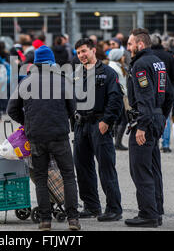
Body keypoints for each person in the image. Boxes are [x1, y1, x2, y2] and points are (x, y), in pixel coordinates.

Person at [7, 45, 81, 231]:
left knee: (40, 178)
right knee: (68, 177)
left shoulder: (25, 82)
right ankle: (73, 219)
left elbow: (11, 110)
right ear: (52, 63)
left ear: (35, 64)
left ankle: (45, 221)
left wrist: (28, 121)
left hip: (36, 137)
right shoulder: (62, 81)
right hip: (59, 136)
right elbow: (73, 109)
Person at [125, 28, 174, 228]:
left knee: (140, 169)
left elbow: (144, 97)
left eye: (130, 44)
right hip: (156, 117)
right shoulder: (158, 62)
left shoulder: (141, 65)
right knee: (154, 169)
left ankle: (147, 214)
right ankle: (156, 211)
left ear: (140, 44)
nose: (127, 48)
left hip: (145, 120)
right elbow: (170, 94)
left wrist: (142, 127)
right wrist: (162, 118)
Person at [73, 38, 124, 222]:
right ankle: (91, 206)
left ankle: (114, 209)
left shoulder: (108, 73)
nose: (81, 55)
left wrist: (106, 121)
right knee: (82, 167)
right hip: (80, 126)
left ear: (93, 50)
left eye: (84, 51)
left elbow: (116, 99)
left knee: (106, 168)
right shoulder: (77, 73)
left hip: (99, 125)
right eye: (78, 53)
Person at [151, 34, 174, 153]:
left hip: (151, 92)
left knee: (152, 116)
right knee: (166, 116)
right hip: (166, 90)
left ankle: (154, 142)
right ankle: (166, 144)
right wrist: (171, 87)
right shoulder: (169, 56)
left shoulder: (148, 57)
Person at [108, 48, 129, 151]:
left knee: (119, 119)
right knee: (123, 119)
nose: (124, 57)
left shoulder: (118, 66)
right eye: (122, 55)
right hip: (119, 96)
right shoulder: (114, 68)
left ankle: (117, 142)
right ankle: (117, 142)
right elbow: (117, 84)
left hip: (121, 95)